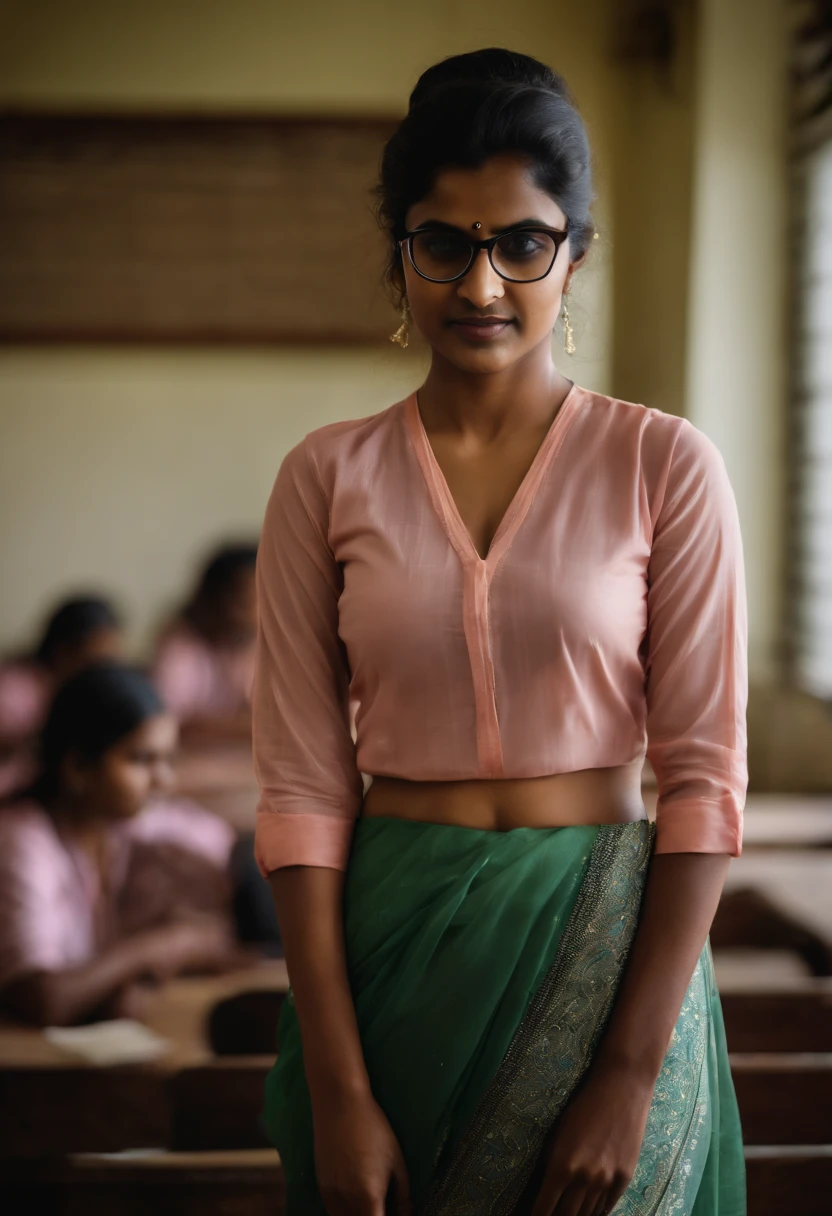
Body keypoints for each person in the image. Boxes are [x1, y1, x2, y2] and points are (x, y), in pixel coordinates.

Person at [253, 49, 747, 1216]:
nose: (482, 286)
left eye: (522, 243)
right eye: (443, 244)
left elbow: (703, 779)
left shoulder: (661, 464)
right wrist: (337, 1088)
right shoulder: (325, 478)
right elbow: (302, 792)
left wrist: (626, 1073)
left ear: (573, 254)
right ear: (399, 257)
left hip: (613, 952)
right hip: (394, 964)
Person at [0, 661, 243, 1027]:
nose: (163, 781)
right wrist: (158, 946)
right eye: (142, 759)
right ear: (78, 767)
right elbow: (41, 998)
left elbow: (231, 855)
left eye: (169, 760)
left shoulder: (121, 822)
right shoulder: (22, 841)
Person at [0, 595, 123, 802]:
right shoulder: (12, 691)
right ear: (63, 651)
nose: (104, 672)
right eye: (97, 660)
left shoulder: (79, 687)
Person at [152, 543, 258, 742]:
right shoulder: (180, 648)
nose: (261, 609)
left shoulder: (250, 646)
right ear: (221, 600)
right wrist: (259, 727)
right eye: (251, 599)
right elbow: (170, 724)